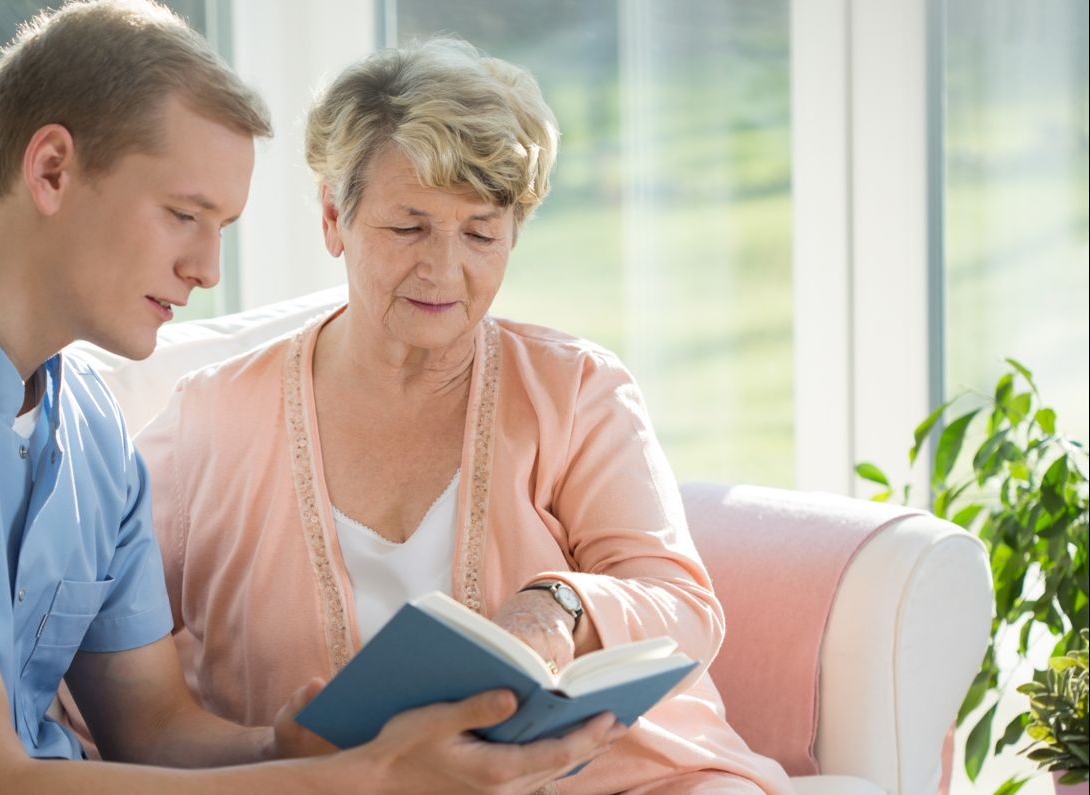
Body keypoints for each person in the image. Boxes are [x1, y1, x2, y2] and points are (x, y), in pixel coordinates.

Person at [0, 3, 624, 793]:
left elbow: (156, 731)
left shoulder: (91, 429)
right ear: (50, 169)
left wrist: (292, 745)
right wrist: (357, 782)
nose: (208, 269)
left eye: (221, 227)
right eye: (184, 215)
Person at [119, 38, 796, 794]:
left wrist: (559, 602)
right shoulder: (208, 420)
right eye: (408, 228)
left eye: (480, 232)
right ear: (334, 215)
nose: (443, 271)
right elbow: (102, 652)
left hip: (612, 780)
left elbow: (683, 605)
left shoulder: (576, 390)